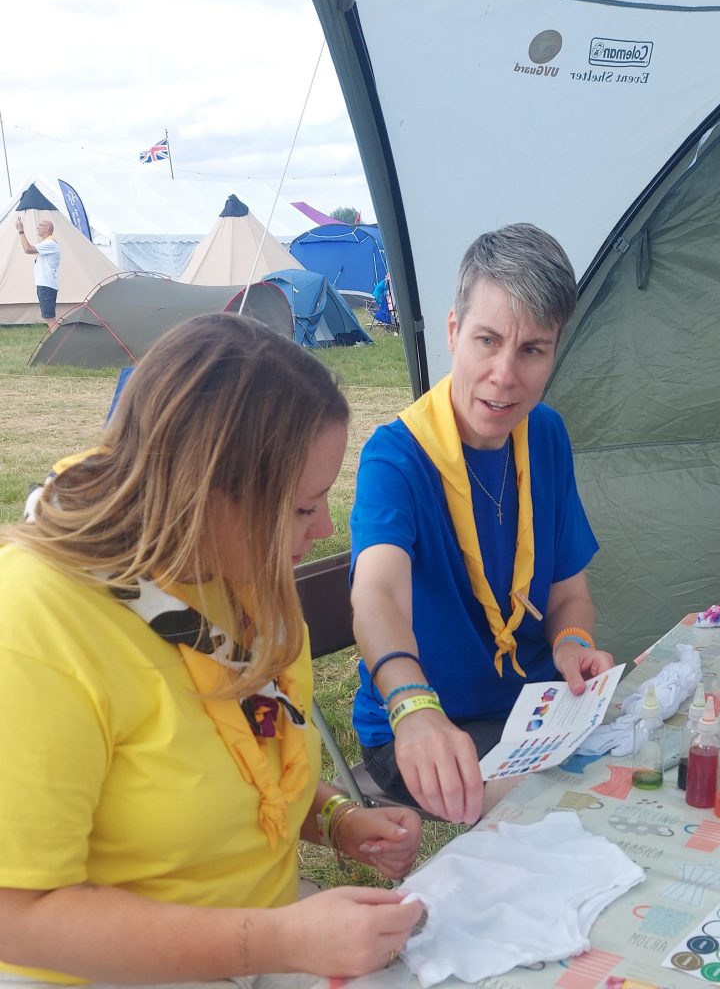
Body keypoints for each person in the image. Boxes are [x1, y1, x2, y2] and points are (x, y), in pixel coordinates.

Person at [0, 314, 423, 986]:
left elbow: (249, 749)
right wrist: (273, 942)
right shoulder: (36, 622)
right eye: (302, 506)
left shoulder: (237, 568)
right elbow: (17, 913)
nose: (326, 526)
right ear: (204, 497)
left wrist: (338, 818)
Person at [349, 223, 615, 826]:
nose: (504, 375)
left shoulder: (545, 435)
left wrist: (573, 646)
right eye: (487, 341)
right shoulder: (397, 456)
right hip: (424, 724)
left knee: (650, 769)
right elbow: (376, 591)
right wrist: (413, 705)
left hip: (535, 710)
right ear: (453, 332)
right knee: (569, 814)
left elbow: (569, 593)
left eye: (532, 350)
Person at [14, 215, 60, 327]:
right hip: (45, 286)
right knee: (49, 317)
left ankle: (61, 343)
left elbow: (28, 249)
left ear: (47, 228)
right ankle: (59, 342)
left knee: (50, 318)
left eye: (40, 225)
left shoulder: (50, 244)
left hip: (46, 286)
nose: (37, 227)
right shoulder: (47, 244)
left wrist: (21, 230)